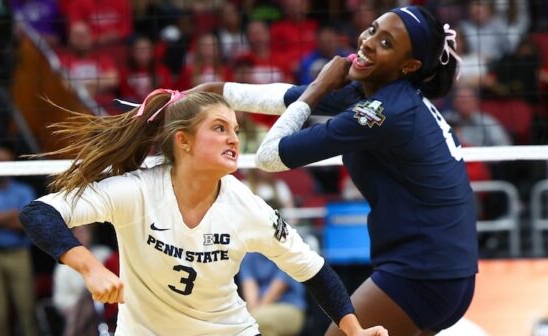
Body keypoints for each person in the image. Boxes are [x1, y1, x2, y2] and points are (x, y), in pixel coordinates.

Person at [187, 5, 478, 336]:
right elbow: (277, 97)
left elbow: (270, 156)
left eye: (386, 44)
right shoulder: (378, 92)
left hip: (422, 273)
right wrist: (202, 94)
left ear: (408, 66)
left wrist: (319, 86)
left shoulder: (381, 113)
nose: (368, 42)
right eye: (372, 30)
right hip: (450, 274)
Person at [19, 90, 387, 336]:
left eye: (235, 130)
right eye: (219, 128)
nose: (233, 138)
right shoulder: (137, 191)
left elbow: (315, 270)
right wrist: (90, 266)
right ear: (184, 141)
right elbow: (39, 213)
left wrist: (355, 331)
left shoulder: (247, 207)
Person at [0, 145, 39, 336]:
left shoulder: (23, 190)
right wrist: (11, 216)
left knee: (26, 306)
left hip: (19, 253)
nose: (1, 166)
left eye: (4, 162)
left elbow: (28, 222)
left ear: (12, 163)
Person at [239, 252, 307, 336]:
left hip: (290, 307)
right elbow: (249, 287)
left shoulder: (287, 251)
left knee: (259, 321)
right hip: (258, 310)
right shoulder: (249, 256)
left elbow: (277, 288)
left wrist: (252, 316)